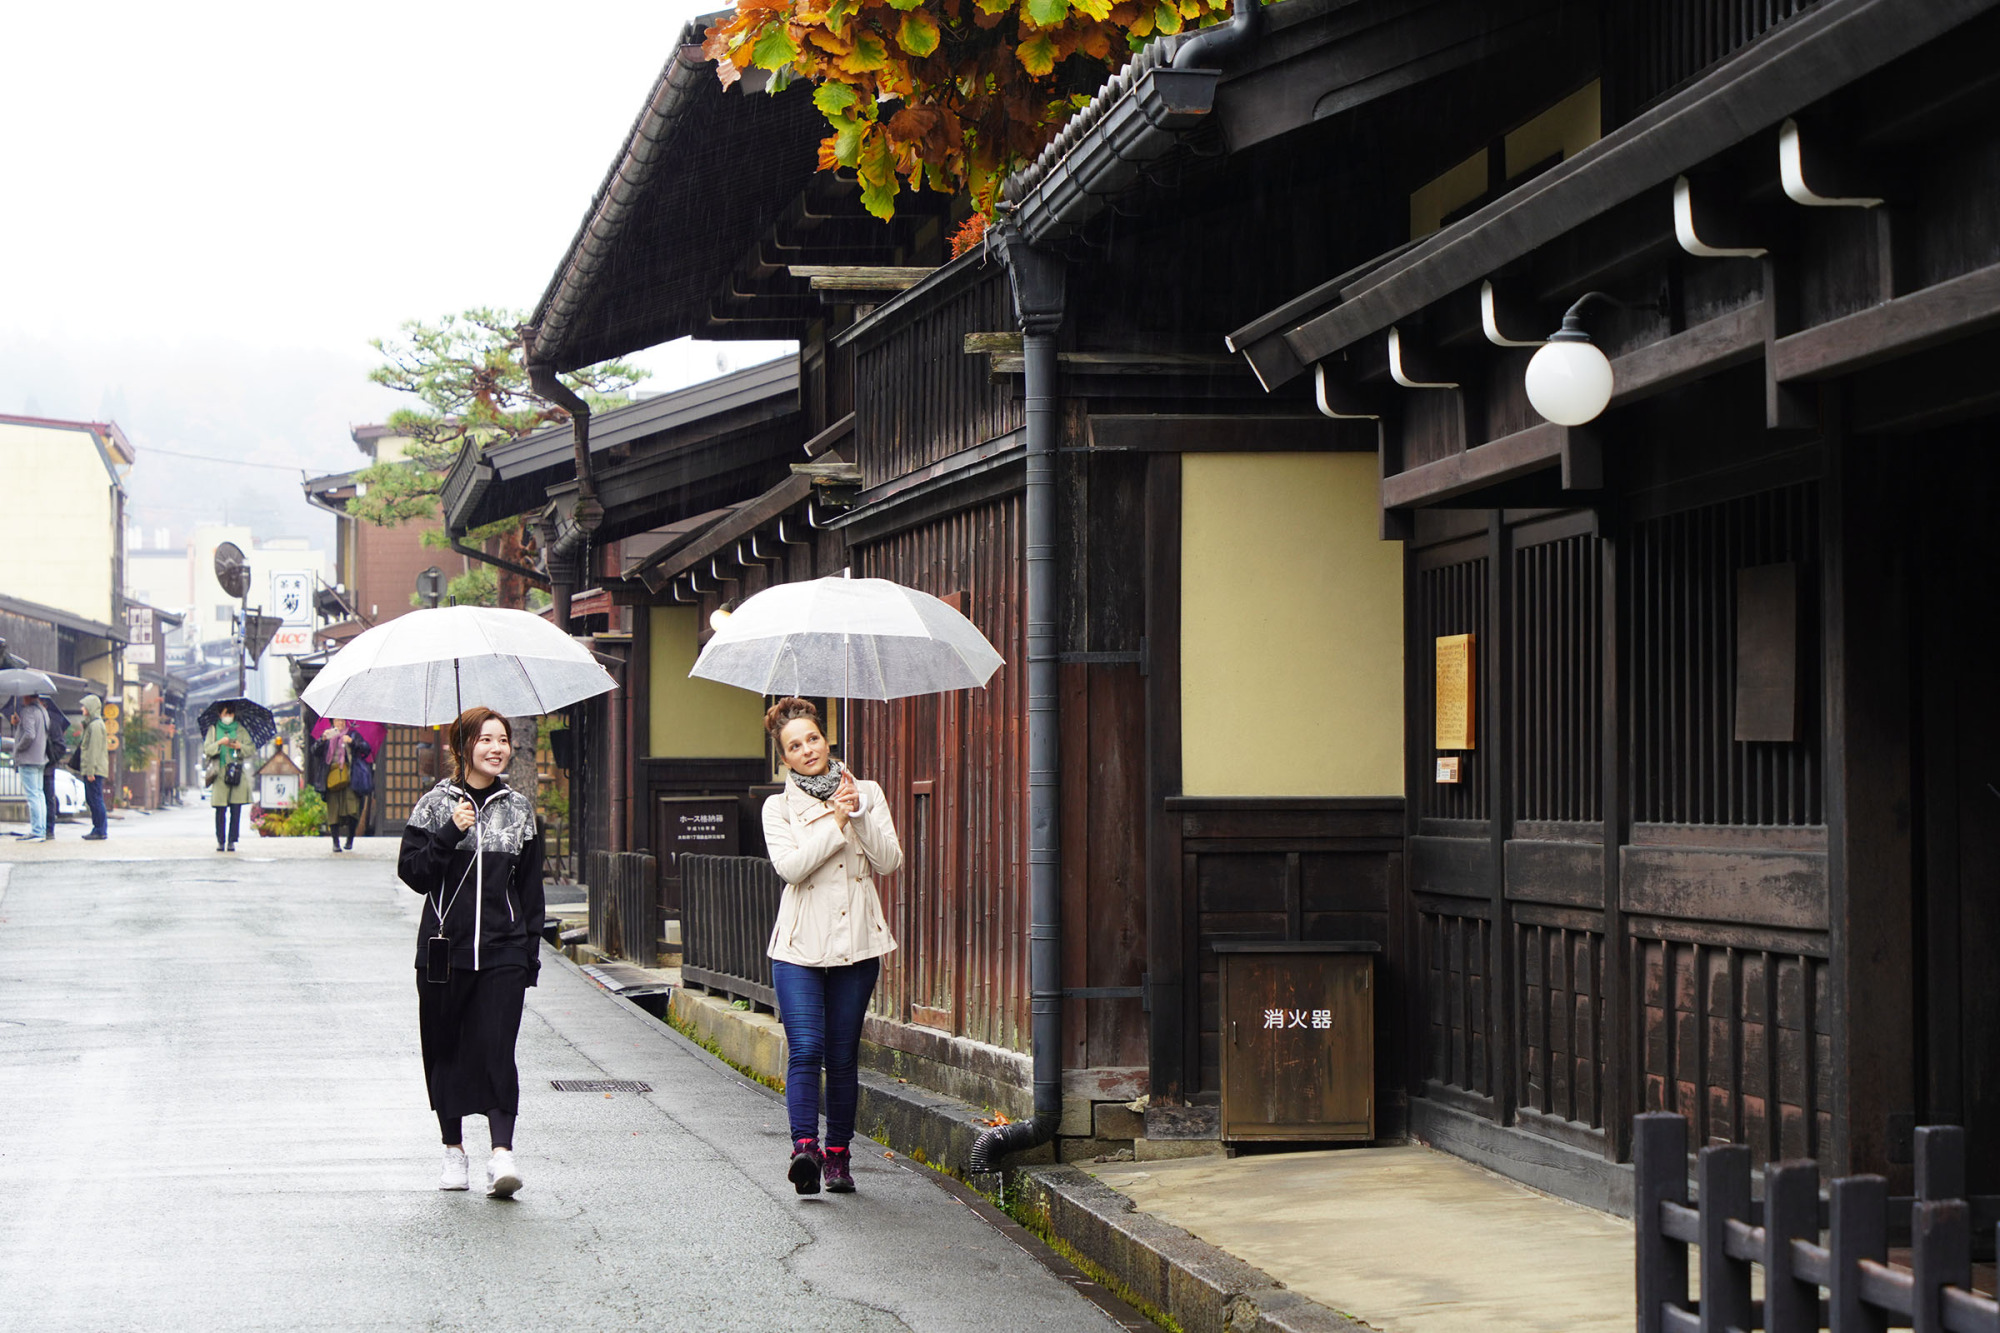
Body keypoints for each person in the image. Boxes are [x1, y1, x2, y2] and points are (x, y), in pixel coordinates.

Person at [397, 707, 544, 1199]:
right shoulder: (436, 805)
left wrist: (529, 954)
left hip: (503, 951)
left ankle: (502, 1153)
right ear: (463, 747)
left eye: (503, 740)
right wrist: (448, 833)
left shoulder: (519, 809)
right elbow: (413, 875)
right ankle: (453, 1150)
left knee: (498, 1048)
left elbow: (530, 889)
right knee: (447, 1049)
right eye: (485, 740)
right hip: (445, 952)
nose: (497, 748)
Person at [761, 697, 903, 1196]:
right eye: (794, 746)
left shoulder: (866, 792)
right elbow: (792, 868)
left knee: (842, 1056)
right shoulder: (777, 807)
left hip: (858, 945)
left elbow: (889, 861)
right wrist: (836, 824)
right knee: (806, 1048)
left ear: (827, 739)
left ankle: (838, 1156)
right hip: (799, 946)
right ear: (785, 758)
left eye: (812, 739)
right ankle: (805, 1150)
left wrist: (859, 813)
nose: (807, 750)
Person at [313, 719, 371, 853]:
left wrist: (352, 742)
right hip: (332, 777)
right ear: (332, 723)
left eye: (342, 720)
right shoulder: (327, 736)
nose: (340, 723)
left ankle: (350, 839)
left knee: (353, 809)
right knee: (333, 810)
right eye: (337, 721)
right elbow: (314, 752)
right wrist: (322, 739)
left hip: (350, 777)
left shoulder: (352, 734)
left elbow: (366, 749)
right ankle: (335, 842)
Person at [202, 705, 255, 852]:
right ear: (220, 714)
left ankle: (232, 840)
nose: (229, 716)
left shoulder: (241, 730)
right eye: (226, 713)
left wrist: (239, 746)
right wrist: (219, 743)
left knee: (235, 809)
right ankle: (220, 840)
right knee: (220, 809)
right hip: (219, 773)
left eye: (231, 713)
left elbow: (250, 749)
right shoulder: (213, 730)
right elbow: (207, 749)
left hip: (236, 772)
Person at [6, 694, 49, 841]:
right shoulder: (43, 711)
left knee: (32, 796)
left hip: (28, 758)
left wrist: (18, 747)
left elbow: (30, 735)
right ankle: (41, 830)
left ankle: (36, 831)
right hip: (40, 758)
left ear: (28, 697)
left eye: (24, 696)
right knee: (39, 795)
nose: (22, 698)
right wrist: (19, 724)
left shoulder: (28, 711)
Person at [77, 696, 109, 840]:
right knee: (93, 799)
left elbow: (93, 750)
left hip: (94, 769)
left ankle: (100, 829)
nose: (82, 709)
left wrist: (90, 771)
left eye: (84, 706)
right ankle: (98, 828)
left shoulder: (95, 725)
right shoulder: (93, 724)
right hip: (94, 768)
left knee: (95, 799)